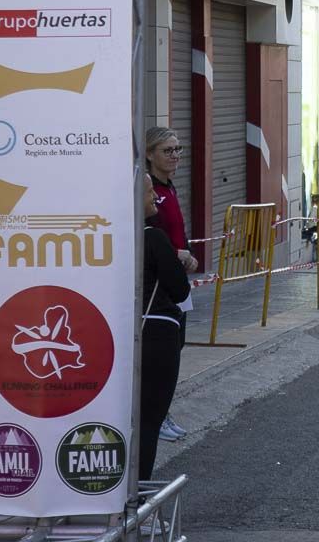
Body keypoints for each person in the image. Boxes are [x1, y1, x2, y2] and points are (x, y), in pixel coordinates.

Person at [144, 127, 197, 443]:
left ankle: (163, 411)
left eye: (178, 149)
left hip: (177, 280)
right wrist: (177, 254)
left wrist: (187, 253)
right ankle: (155, 414)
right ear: (150, 154)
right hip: (158, 285)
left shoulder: (170, 188)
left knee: (176, 347)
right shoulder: (149, 192)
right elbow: (150, 235)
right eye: (167, 150)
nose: (175, 156)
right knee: (162, 353)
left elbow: (177, 231)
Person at [139, 174, 191, 480]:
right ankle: (137, 499)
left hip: (113, 334)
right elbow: (180, 290)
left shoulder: (102, 237)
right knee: (149, 421)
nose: (154, 198)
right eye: (148, 192)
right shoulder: (153, 238)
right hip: (157, 334)